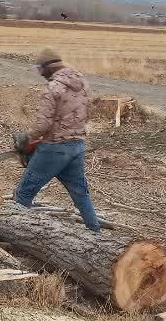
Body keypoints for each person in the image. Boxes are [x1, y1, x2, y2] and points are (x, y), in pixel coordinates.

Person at [13, 48, 102, 232]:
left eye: (40, 68)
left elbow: (43, 125)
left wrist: (26, 138)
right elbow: (89, 112)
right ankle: (96, 232)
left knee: (24, 193)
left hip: (54, 149)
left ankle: (13, 232)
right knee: (81, 195)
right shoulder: (82, 82)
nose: (40, 73)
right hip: (77, 146)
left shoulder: (52, 88)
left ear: (47, 67)